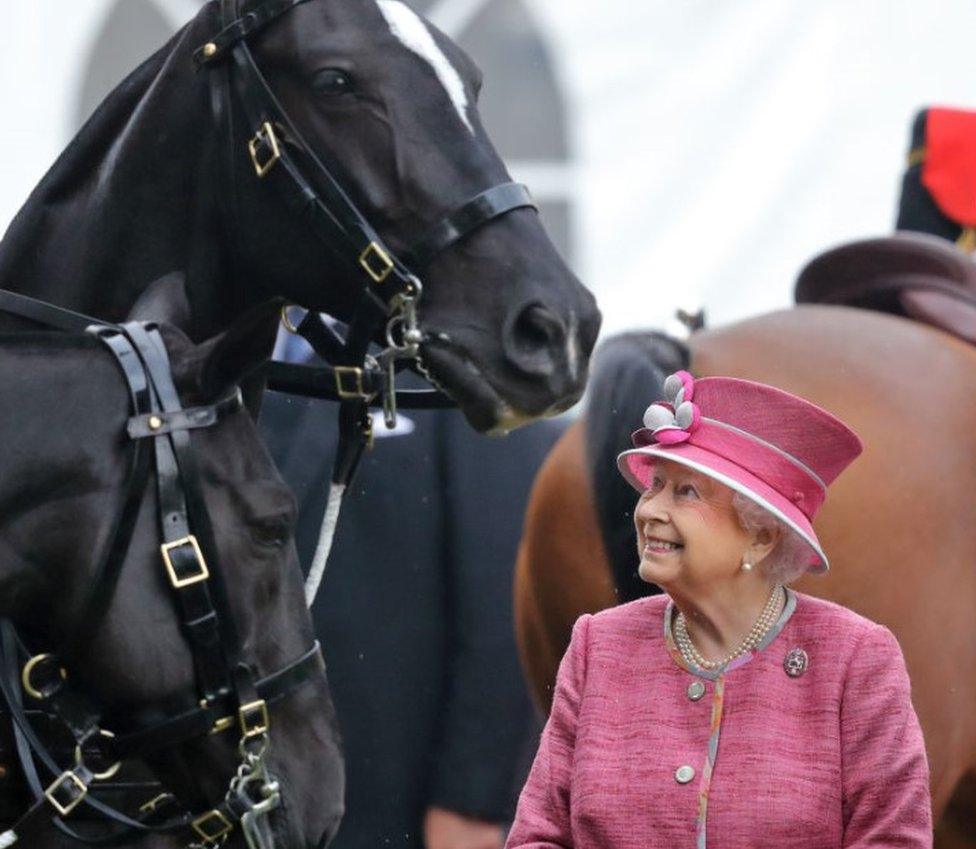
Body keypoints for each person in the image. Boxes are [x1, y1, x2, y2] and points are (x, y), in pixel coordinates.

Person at [505, 369, 932, 848]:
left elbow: (893, 838)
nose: (648, 511)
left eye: (685, 492)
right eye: (655, 485)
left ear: (761, 536)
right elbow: (537, 836)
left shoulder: (854, 657)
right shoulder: (598, 645)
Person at [260, 328, 560, 849]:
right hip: (247, 795)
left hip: (400, 801)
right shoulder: (207, 348)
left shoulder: (458, 355)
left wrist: (472, 801)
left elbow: (503, 589)